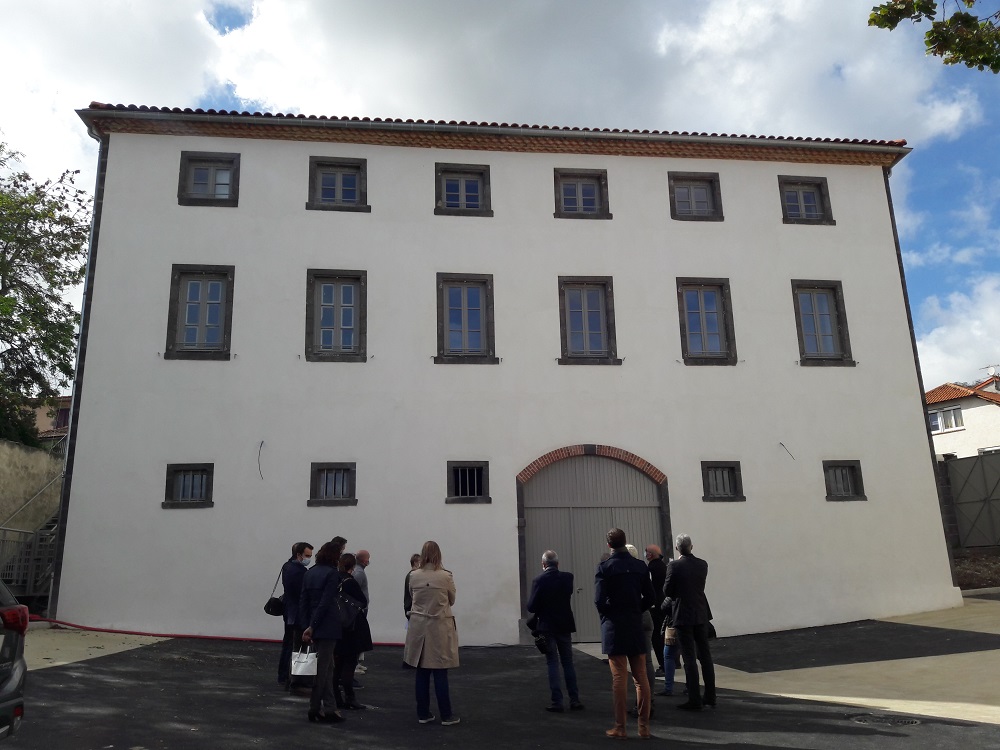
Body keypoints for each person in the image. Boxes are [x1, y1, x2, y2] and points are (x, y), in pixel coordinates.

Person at [595, 528, 654, 740]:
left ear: (609, 545)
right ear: (625, 542)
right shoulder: (639, 566)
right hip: (635, 624)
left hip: (615, 626)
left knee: (619, 678)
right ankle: (643, 727)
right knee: (641, 678)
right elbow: (650, 596)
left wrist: (609, 615)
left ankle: (620, 727)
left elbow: (599, 601)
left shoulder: (605, 567)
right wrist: (637, 609)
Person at [403, 540, 460, 726]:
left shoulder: (413, 576)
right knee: (440, 671)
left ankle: (423, 713)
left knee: (422, 672)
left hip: (419, 626)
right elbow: (451, 599)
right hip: (439, 626)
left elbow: (412, 596)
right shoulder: (446, 576)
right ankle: (446, 714)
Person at [526, 550, 584, 713]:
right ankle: (575, 699)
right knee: (567, 662)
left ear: (543, 564)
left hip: (547, 625)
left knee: (552, 662)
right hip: (564, 624)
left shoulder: (538, 580)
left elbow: (531, 606)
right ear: (557, 563)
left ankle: (557, 701)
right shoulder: (568, 577)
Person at [664, 533, 716, 710]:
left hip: (683, 615)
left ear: (678, 548)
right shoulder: (702, 564)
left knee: (689, 658)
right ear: (691, 547)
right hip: (700, 613)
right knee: (705, 656)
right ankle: (710, 696)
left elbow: (667, 590)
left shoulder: (674, 566)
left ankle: (694, 698)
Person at [299, 541, 346, 724]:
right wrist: (313, 625)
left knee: (327, 668)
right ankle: (315, 708)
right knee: (323, 670)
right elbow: (326, 602)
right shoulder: (332, 574)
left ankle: (330, 707)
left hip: (313, 624)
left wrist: (307, 625)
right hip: (327, 625)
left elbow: (304, 600)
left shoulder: (310, 573)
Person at [333, 553, 373, 710]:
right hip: (352, 627)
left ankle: (336, 697)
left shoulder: (334, 579)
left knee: (337, 664)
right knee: (349, 664)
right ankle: (349, 697)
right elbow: (362, 602)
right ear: (352, 566)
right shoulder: (351, 582)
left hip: (336, 626)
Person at [626, 544, 656, 719]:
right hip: (646, 616)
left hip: (636, 618)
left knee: (637, 664)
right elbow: (650, 596)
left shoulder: (629, 572)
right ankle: (649, 698)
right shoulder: (642, 569)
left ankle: (642, 702)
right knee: (648, 662)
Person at [278, 542, 312, 688]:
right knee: (297, 648)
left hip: (289, 611)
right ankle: (294, 679)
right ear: (299, 555)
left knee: (288, 645)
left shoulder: (287, 566)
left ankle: (284, 676)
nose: (309, 559)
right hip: (297, 614)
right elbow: (303, 595)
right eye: (307, 556)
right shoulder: (300, 572)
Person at [644, 544, 668, 674]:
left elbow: (649, 588)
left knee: (656, 637)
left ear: (650, 555)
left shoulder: (651, 568)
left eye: (646, 552)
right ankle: (672, 662)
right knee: (666, 634)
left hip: (655, 606)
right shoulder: (664, 566)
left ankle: (663, 665)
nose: (645, 554)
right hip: (665, 604)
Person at [657, 588, 682, 696]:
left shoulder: (675, 587)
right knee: (689, 656)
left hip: (675, 623)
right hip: (692, 621)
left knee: (668, 655)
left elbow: (664, 606)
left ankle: (668, 687)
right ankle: (690, 687)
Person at [352, 549, 371, 678]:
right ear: (364, 560)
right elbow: (355, 591)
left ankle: (356, 663)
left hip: (361, 609)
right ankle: (353, 665)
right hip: (359, 610)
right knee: (357, 636)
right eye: (368, 558)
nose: (369, 561)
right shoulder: (359, 573)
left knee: (358, 636)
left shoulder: (359, 571)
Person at [403, 552, 420, 619]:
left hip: (409, 608)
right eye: (420, 562)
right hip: (412, 609)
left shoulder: (410, 575)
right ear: (415, 562)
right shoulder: (413, 576)